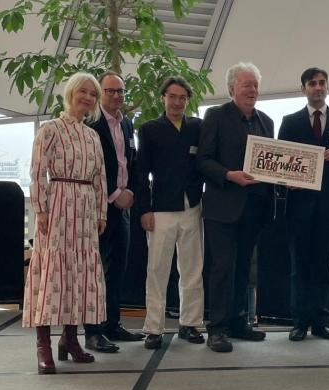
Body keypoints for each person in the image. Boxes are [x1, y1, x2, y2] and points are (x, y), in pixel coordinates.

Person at [23, 72, 107, 373]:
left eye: (93, 94)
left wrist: (101, 213)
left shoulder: (93, 136)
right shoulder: (49, 130)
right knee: (52, 275)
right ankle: (43, 344)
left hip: (84, 210)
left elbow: (100, 177)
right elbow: (37, 172)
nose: (87, 98)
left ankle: (70, 339)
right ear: (71, 93)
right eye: (83, 91)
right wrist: (41, 209)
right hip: (57, 206)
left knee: (79, 274)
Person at [198, 62, 273, 353]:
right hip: (222, 207)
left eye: (255, 85)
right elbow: (203, 160)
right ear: (232, 89)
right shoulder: (215, 116)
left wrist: (283, 179)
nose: (252, 90)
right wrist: (229, 175)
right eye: (246, 85)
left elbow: (270, 163)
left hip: (254, 208)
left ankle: (239, 321)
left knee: (244, 268)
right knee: (222, 268)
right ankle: (217, 328)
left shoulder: (267, 121)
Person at [278, 67, 329, 342]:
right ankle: (299, 322)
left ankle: (322, 321)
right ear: (304, 89)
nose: (319, 87)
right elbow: (280, 163)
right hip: (298, 206)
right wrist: (287, 180)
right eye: (313, 83)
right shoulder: (290, 122)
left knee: (325, 265)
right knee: (300, 265)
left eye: (323, 83)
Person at [134, 76, 205, 350]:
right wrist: (144, 210)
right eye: (172, 97)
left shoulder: (198, 127)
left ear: (188, 100)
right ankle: (153, 327)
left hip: (192, 207)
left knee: (192, 269)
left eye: (182, 98)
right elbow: (141, 173)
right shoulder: (150, 129)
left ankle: (191, 323)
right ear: (163, 98)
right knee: (157, 270)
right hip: (160, 208)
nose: (177, 102)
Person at [84, 71, 142, 353]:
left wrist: (129, 191)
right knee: (96, 271)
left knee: (118, 268)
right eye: (110, 91)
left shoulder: (128, 125)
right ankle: (93, 331)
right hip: (98, 208)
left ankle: (112, 324)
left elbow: (128, 163)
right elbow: (93, 168)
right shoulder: (91, 124)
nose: (117, 96)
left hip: (123, 209)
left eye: (120, 91)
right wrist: (114, 195)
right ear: (100, 93)